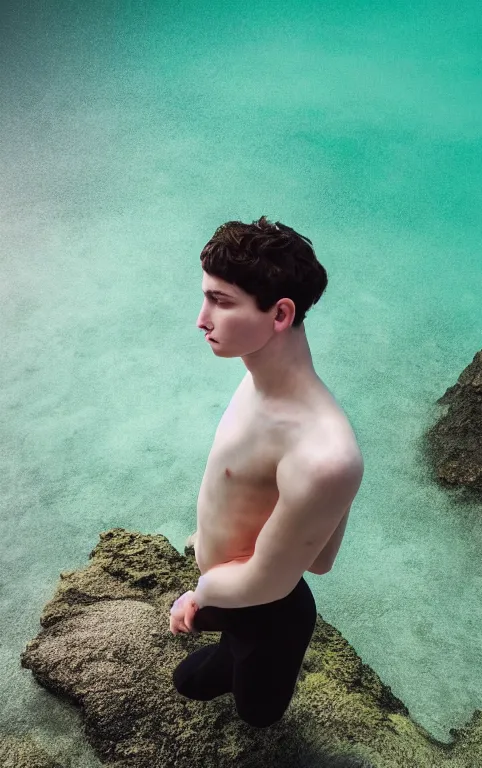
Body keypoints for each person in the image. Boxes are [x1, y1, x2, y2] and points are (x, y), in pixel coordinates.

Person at [170, 215, 364, 728]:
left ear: (280, 314)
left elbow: (298, 570)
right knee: (190, 682)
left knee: (257, 715)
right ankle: (232, 652)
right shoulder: (255, 378)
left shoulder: (322, 455)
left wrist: (199, 594)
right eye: (206, 297)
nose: (201, 319)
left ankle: (253, 682)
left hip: (268, 609)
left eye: (221, 301)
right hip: (230, 592)